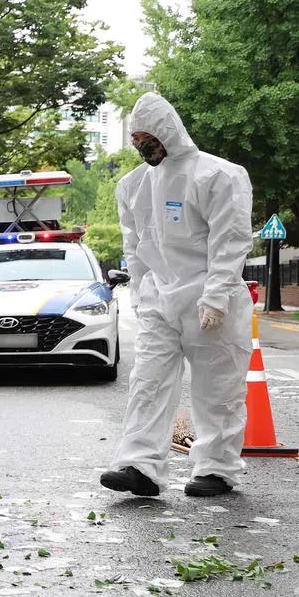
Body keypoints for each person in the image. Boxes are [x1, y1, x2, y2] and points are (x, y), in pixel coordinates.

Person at [100, 92, 253, 499]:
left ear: (168, 132)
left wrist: (217, 295)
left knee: (218, 389)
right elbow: (135, 246)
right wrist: (140, 293)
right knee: (147, 382)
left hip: (210, 297)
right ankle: (140, 466)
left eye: (149, 139)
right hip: (160, 299)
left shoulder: (219, 175)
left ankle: (216, 469)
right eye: (137, 141)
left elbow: (230, 239)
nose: (143, 148)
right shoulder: (133, 185)